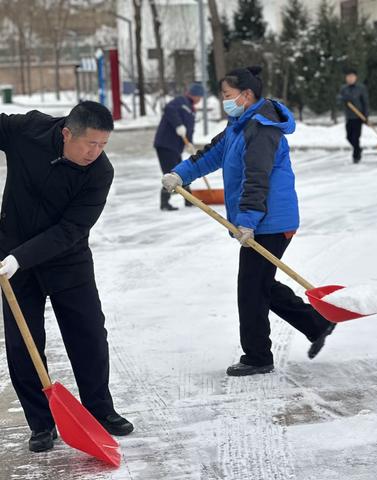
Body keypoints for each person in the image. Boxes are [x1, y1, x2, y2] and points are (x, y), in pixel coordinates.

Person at [162, 66, 335, 377]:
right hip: (263, 219)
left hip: (271, 220)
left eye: (228, 95)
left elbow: (258, 178)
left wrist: (249, 221)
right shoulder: (240, 124)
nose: (225, 101)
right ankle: (317, 322)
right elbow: (212, 154)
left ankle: (257, 356)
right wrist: (180, 174)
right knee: (260, 284)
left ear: (247, 94)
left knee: (251, 289)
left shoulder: (262, 129)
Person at [0, 101, 133, 453]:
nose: (95, 152)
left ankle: (100, 411)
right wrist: (12, 255)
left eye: (103, 144)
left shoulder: (100, 172)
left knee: (89, 334)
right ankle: (41, 424)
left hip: (66, 259)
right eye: (90, 143)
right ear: (66, 133)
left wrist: (19, 257)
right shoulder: (28, 130)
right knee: (22, 345)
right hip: (12, 260)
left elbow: (71, 229)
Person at [154, 83, 204, 211]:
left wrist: (190, 143)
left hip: (175, 146)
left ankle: (189, 200)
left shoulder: (191, 109)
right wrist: (178, 125)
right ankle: (165, 203)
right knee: (172, 173)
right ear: (196, 95)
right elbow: (169, 109)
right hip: (166, 144)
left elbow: (189, 130)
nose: (200, 99)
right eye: (200, 96)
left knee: (180, 172)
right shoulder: (181, 101)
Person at [338, 68, 369, 163]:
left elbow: (365, 102)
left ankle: (356, 156)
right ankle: (358, 149)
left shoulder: (361, 88)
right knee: (349, 137)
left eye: (352, 77)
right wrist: (342, 99)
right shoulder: (343, 89)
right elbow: (338, 101)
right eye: (348, 77)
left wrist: (366, 116)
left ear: (355, 78)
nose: (350, 78)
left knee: (356, 137)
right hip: (349, 117)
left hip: (358, 117)